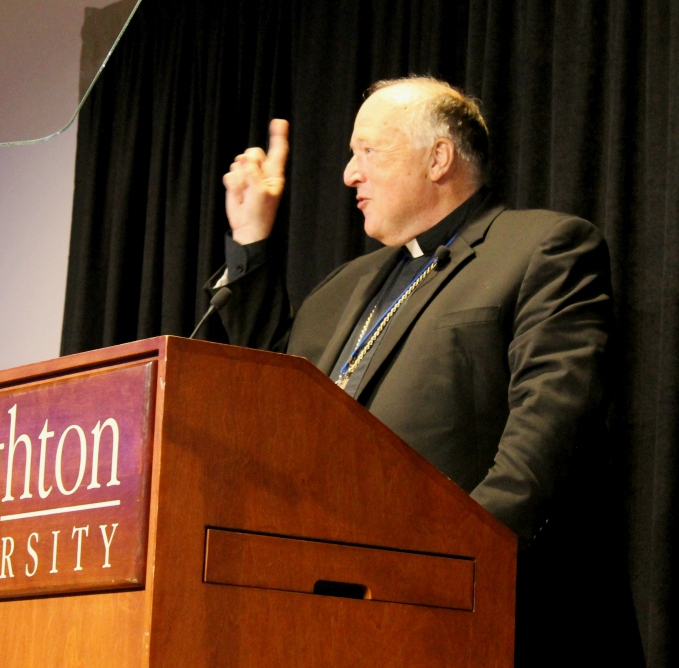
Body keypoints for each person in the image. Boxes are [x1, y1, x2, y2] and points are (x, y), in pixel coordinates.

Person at [212, 77, 629, 664]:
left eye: (368, 152)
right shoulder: (342, 286)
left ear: (438, 157)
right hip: (335, 611)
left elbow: (548, 434)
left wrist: (456, 565)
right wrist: (251, 237)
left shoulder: (543, 248)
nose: (349, 175)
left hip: (478, 614)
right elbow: (282, 392)